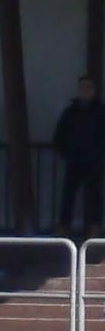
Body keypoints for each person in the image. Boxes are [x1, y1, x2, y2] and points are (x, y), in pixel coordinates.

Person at [52, 74, 105, 238]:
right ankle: (64, 227)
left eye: (88, 88)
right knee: (68, 195)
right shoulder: (70, 112)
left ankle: (94, 228)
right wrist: (65, 152)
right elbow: (59, 135)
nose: (85, 91)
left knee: (95, 196)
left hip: (95, 161)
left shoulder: (101, 112)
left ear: (94, 90)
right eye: (82, 87)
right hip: (74, 159)